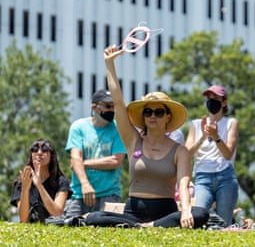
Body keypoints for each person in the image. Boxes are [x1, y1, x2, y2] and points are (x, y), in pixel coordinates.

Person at [85, 45, 208, 229]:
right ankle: (143, 226)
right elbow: (118, 103)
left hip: (165, 211)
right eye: (148, 112)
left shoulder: (179, 151)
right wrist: (109, 64)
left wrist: (187, 209)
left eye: (158, 112)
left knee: (201, 213)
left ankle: (150, 226)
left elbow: (184, 183)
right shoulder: (134, 141)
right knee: (94, 217)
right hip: (132, 212)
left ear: (167, 117)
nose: (152, 116)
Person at [64, 89, 126, 217]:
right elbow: (75, 157)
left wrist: (84, 163)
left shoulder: (118, 129)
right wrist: (85, 184)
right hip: (79, 193)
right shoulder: (78, 127)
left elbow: (116, 161)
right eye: (108, 106)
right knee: (69, 230)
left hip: (110, 195)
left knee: (111, 235)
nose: (112, 110)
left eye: (114, 106)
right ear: (94, 107)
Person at [185, 84, 239, 227]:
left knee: (224, 223)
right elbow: (187, 153)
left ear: (224, 102)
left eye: (216, 98)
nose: (211, 101)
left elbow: (228, 154)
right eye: (209, 98)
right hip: (203, 177)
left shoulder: (231, 123)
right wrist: (203, 137)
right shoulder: (196, 124)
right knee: (198, 216)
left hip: (225, 176)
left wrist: (216, 136)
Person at [10, 139, 72, 223]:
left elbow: (57, 214)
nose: (39, 153)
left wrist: (39, 185)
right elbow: (24, 219)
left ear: (51, 155)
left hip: (53, 230)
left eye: (45, 149)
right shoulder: (21, 182)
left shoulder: (61, 181)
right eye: (35, 149)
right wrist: (25, 189)